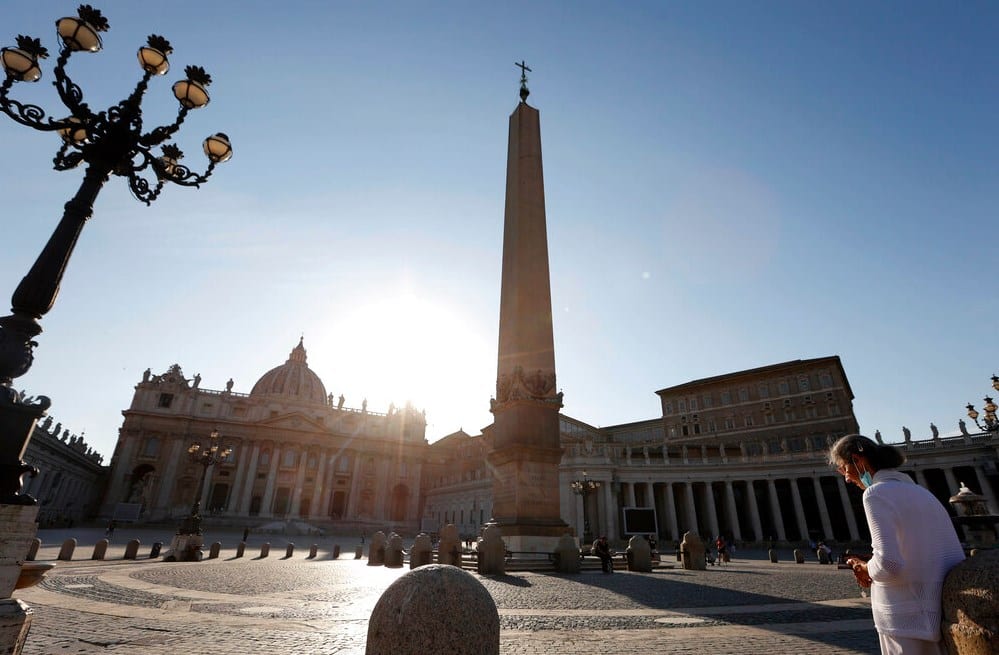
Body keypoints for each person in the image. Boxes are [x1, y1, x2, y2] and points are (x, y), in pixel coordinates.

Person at [828, 434, 964, 655]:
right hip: (940, 611)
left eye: (845, 469)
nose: (846, 478)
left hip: (905, 618)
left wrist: (864, 568)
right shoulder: (921, 492)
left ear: (858, 460)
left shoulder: (875, 494)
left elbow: (889, 564)